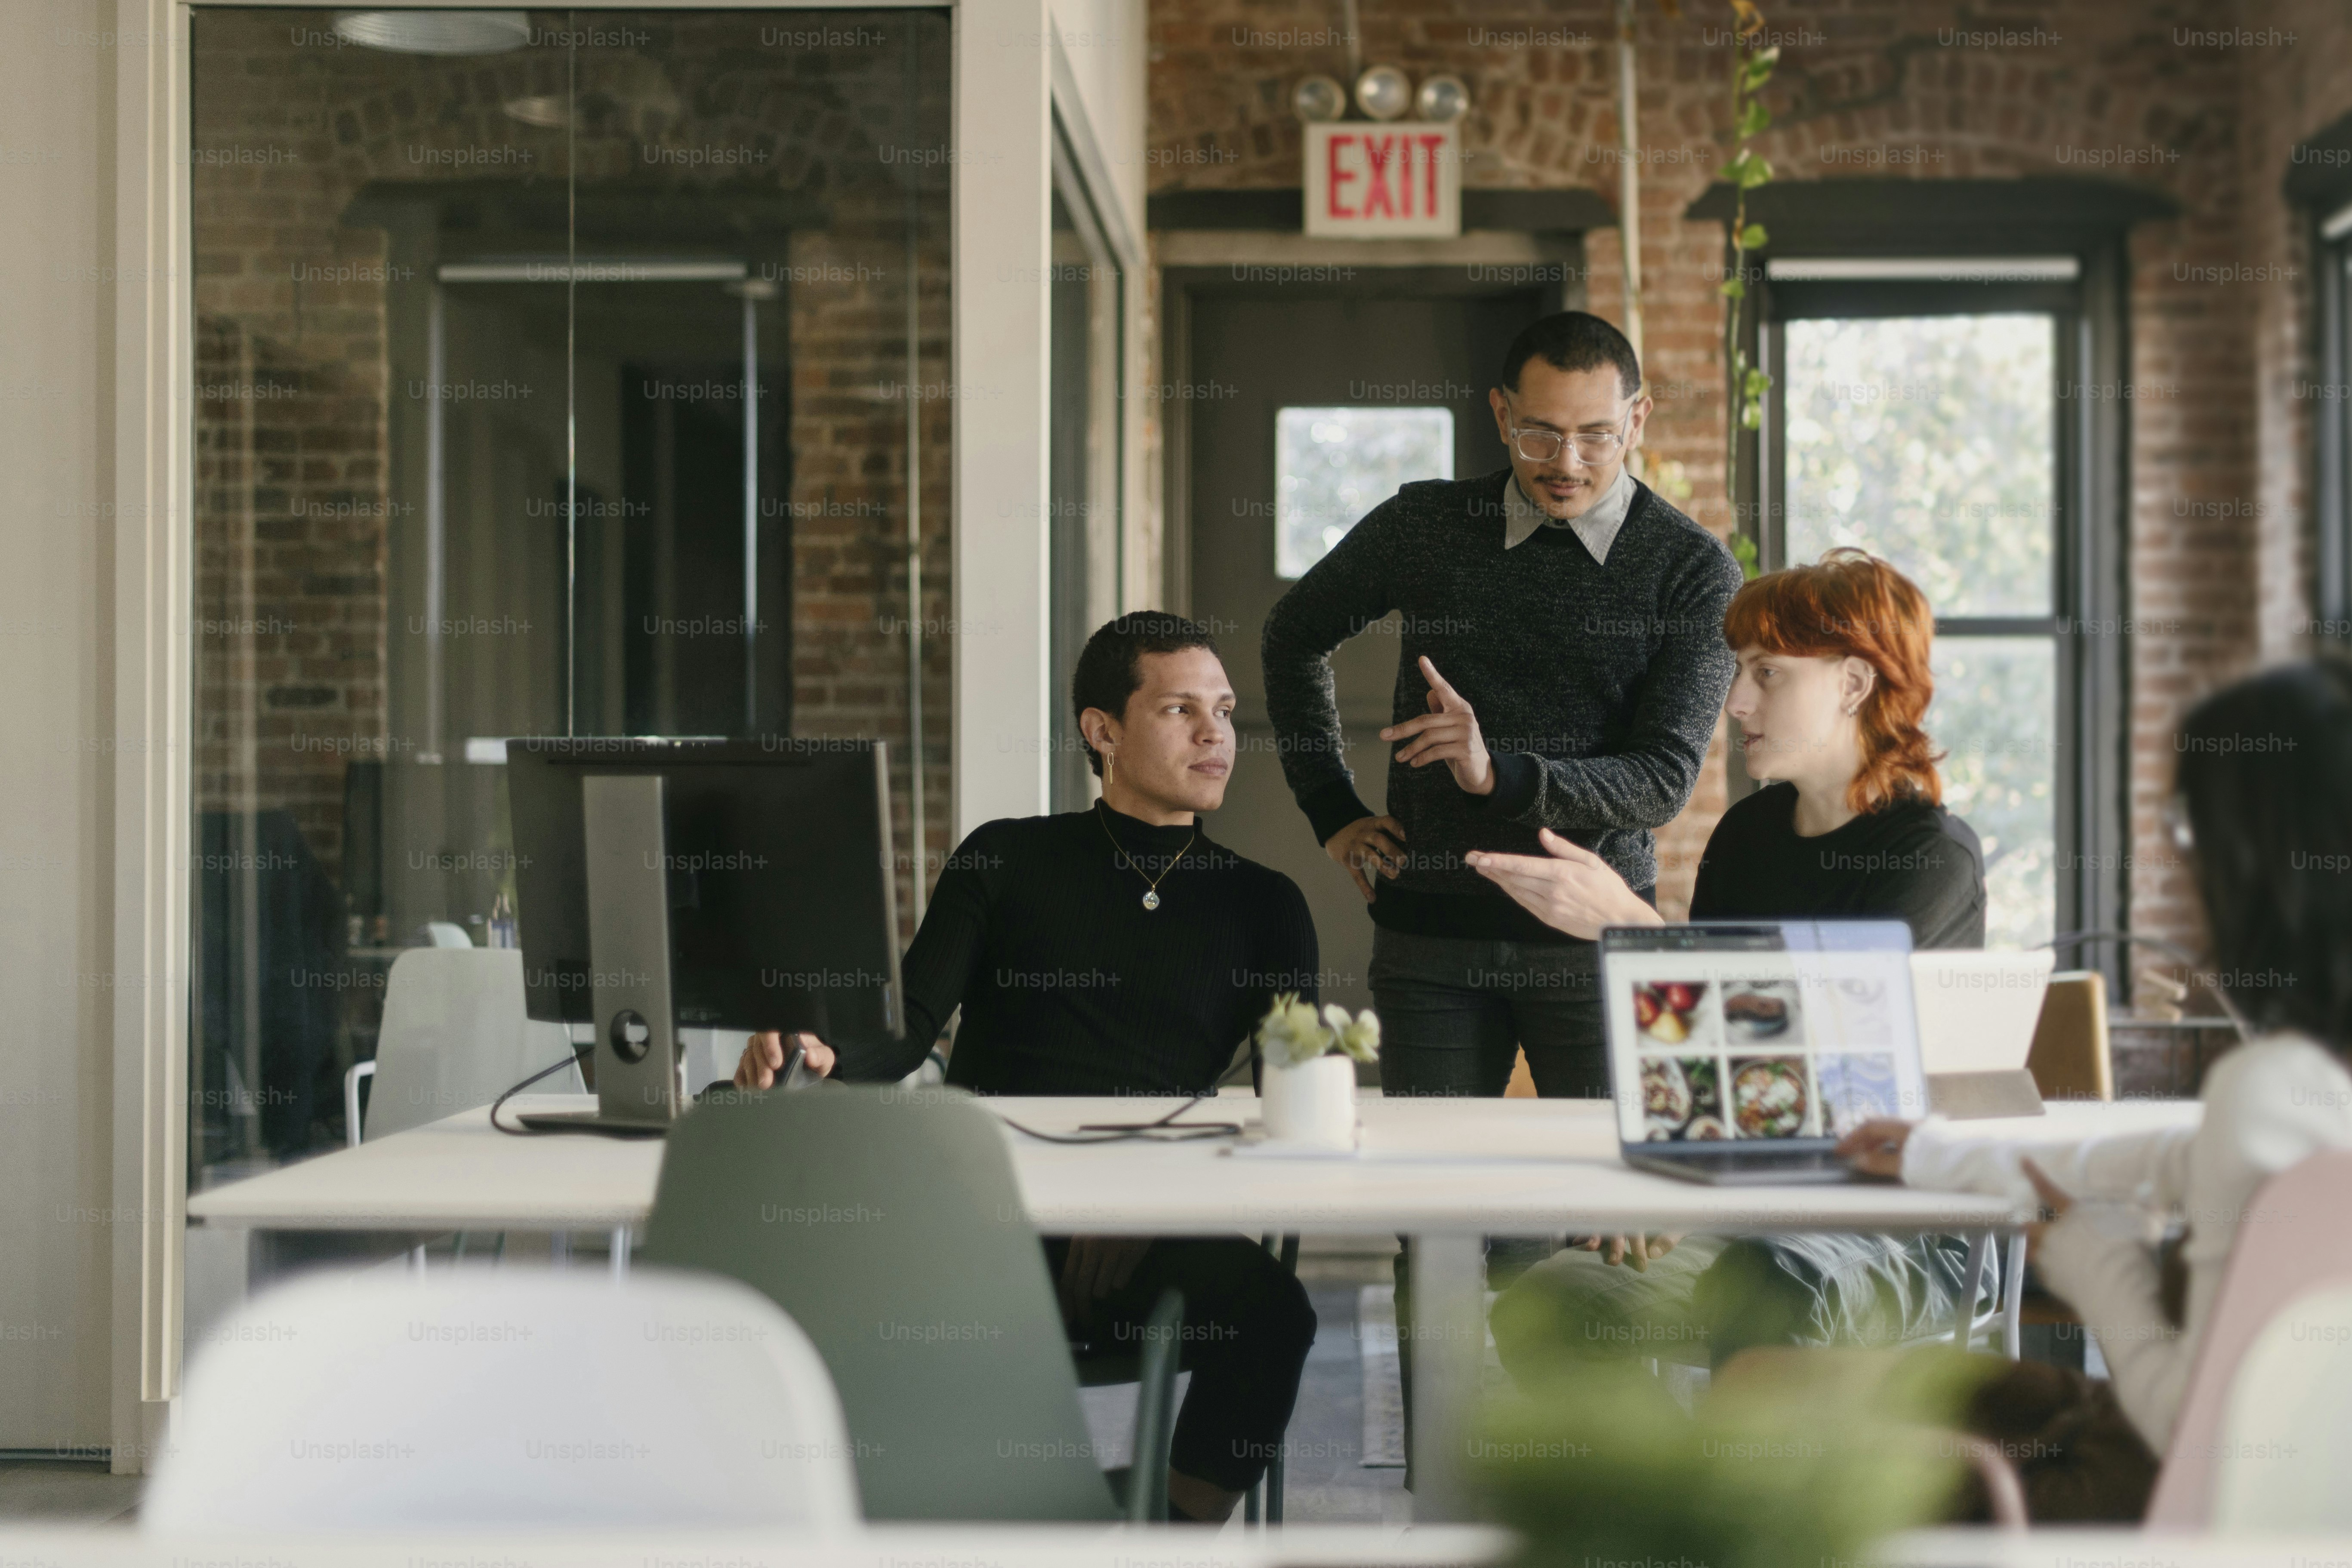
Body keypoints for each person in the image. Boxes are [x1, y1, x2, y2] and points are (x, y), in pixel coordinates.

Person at [1259, 313, 1743, 1466]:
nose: (1565, 461)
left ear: (1635, 421)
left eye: (1591, 434)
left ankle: (1592, 1486)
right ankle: (1436, 1484)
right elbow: (1290, 637)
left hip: (1591, 937)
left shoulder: (1690, 569)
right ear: (1499, 416)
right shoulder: (1427, 525)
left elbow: (1662, 779)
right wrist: (1333, 810)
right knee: (1434, 1226)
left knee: (1598, 1229)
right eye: (1538, 432)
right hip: (1431, 935)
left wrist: (1497, 772)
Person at [734, 613, 1321, 1524]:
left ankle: (1175, 1531)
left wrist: (1149, 1196)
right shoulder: (1006, 857)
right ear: (1103, 731)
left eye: (1225, 710)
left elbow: (1299, 1099)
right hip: (985, 1223)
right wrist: (821, 1046)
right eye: (1179, 708)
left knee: (1277, 1313)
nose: (1215, 734)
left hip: (1149, 1237)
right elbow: (905, 1030)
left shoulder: (1266, 905)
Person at [1833, 656, 2352, 1517]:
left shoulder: (2268, 1089)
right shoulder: (2303, 1090)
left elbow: (2198, 1429)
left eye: (2188, 828)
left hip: (2159, 1494)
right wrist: (1935, 1150)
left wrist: (2092, 1260)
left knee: (1778, 1410)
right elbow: (2168, 1154)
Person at [1475, 551, 1988, 1371]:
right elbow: (1701, 1071)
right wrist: (1671, 1187)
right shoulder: (1747, 837)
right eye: (1740, 671)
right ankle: (1670, 1503)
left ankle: (1743, 1493)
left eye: (1767, 674)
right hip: (1751, 1207)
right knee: (1552, 1304)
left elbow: (1835, 1072)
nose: (1737, 701)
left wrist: (1634, 927)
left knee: (1767, 1285)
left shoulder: (1931, 855)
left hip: (1900, 1219)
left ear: (1854, 684)